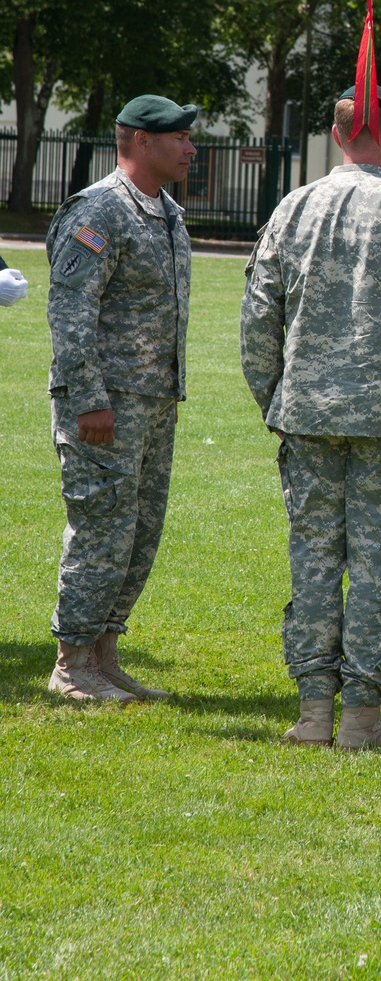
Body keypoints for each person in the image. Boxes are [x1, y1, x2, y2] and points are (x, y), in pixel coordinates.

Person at [241, 84, 381, 752]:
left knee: (312, 560)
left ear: (339, 135)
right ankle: (361, 718)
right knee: (378, 567)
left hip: (308, 415)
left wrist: (273, 398)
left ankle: (314, 711)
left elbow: (258, 314)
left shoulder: (293, 208)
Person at [46, 93, 198, 703]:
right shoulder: (99, 211)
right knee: (102, 527)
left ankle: (104, 657)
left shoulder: (166, 212)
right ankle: (70, 663)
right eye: (180, 138)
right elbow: (70, 312)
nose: (191, 148)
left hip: (154, 402)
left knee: (139, 532)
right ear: (139, 140)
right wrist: (88, 399)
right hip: (106, 403)